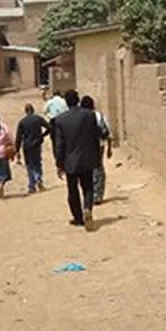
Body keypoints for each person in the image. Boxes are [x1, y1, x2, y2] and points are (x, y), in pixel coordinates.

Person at [54, 90, 101, 231]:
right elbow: (96, 136)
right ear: (78, 100)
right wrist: (97, 157)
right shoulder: (90, 115)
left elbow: (59, 145)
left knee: (72, 190)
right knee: (88, 187)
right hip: (87, 159)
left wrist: (59, 164)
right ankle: (87, 208)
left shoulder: (60, 120)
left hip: (70, 162)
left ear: (66, 102)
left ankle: (78, 218)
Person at [80, 95, 113, 205]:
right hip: (99, 146)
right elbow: (107, 132)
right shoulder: (99, 116)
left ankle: (89, 194)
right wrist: (109, 149)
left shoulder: (81, 117)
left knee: (87, 169)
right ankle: (98, 195)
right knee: (98, 168)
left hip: (85, 146)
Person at [15, 103, 51, 194]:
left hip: (27, 146)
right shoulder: (38, 119)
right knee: (37, 163)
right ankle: (39, 179)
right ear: (33, 110)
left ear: (25, 111)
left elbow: (18, 137)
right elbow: (50, 127)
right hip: (37, 144)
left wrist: (17, 150)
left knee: (29, 165)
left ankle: (32, 185)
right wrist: (42, 135)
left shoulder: (22, 122)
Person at [43, 90, 69, 157]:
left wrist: (50, 116)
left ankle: (56, 156)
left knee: (54, 140)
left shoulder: (50, 101)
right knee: (64, 138)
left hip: (54, 121)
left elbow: (44, 111)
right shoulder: (63, 101)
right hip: (64, 120)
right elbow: (67, 109)